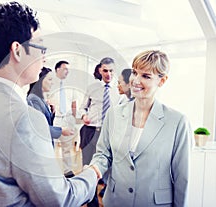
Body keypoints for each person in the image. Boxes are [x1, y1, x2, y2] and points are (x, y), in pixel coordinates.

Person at [0, 2, 100, 207]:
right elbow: (59, 199)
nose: (44, 57)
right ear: (17, 50)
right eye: (41, 47)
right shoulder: (24, 118)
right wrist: (91, 175)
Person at [90, 50, 192, 207]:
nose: (135, 81)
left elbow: (181, 177)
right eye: (134, 72)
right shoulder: (114, 114)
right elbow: (103, 153)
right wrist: (95, 168)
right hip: (116, 201)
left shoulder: (177, 122)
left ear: (162, 81)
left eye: (146, 76)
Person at [79, 58, 120, 207]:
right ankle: (92, 202)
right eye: (105, 70)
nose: (108, 74)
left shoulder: (119, 91)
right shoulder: (92, 87)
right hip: (91, 131)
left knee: (111, 167)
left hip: (110, 133)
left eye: (111, 71)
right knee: (89, 168)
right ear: (99, 71)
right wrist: (84, 116)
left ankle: (108, 197)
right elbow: (82, 107)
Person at [27, 67, 73, 146]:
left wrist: (52, 112)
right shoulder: (33, 99)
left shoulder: (39, 98)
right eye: (50, 79)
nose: (52, 83)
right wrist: (61, 130)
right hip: (39, 145)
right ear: (40, 80)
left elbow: (45, 122)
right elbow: (39, 128)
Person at [49, 60, 77, 178]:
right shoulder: (49, 84)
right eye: (65, 69)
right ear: (57, 70)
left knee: (67, 148)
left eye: (68, 70)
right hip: (55, 119)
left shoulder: (71, 87)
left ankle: (67, 171)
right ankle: (51, 171)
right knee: (50, 147)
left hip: (67, 118)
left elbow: (74, 104)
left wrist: (73, 120)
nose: (67, 72)